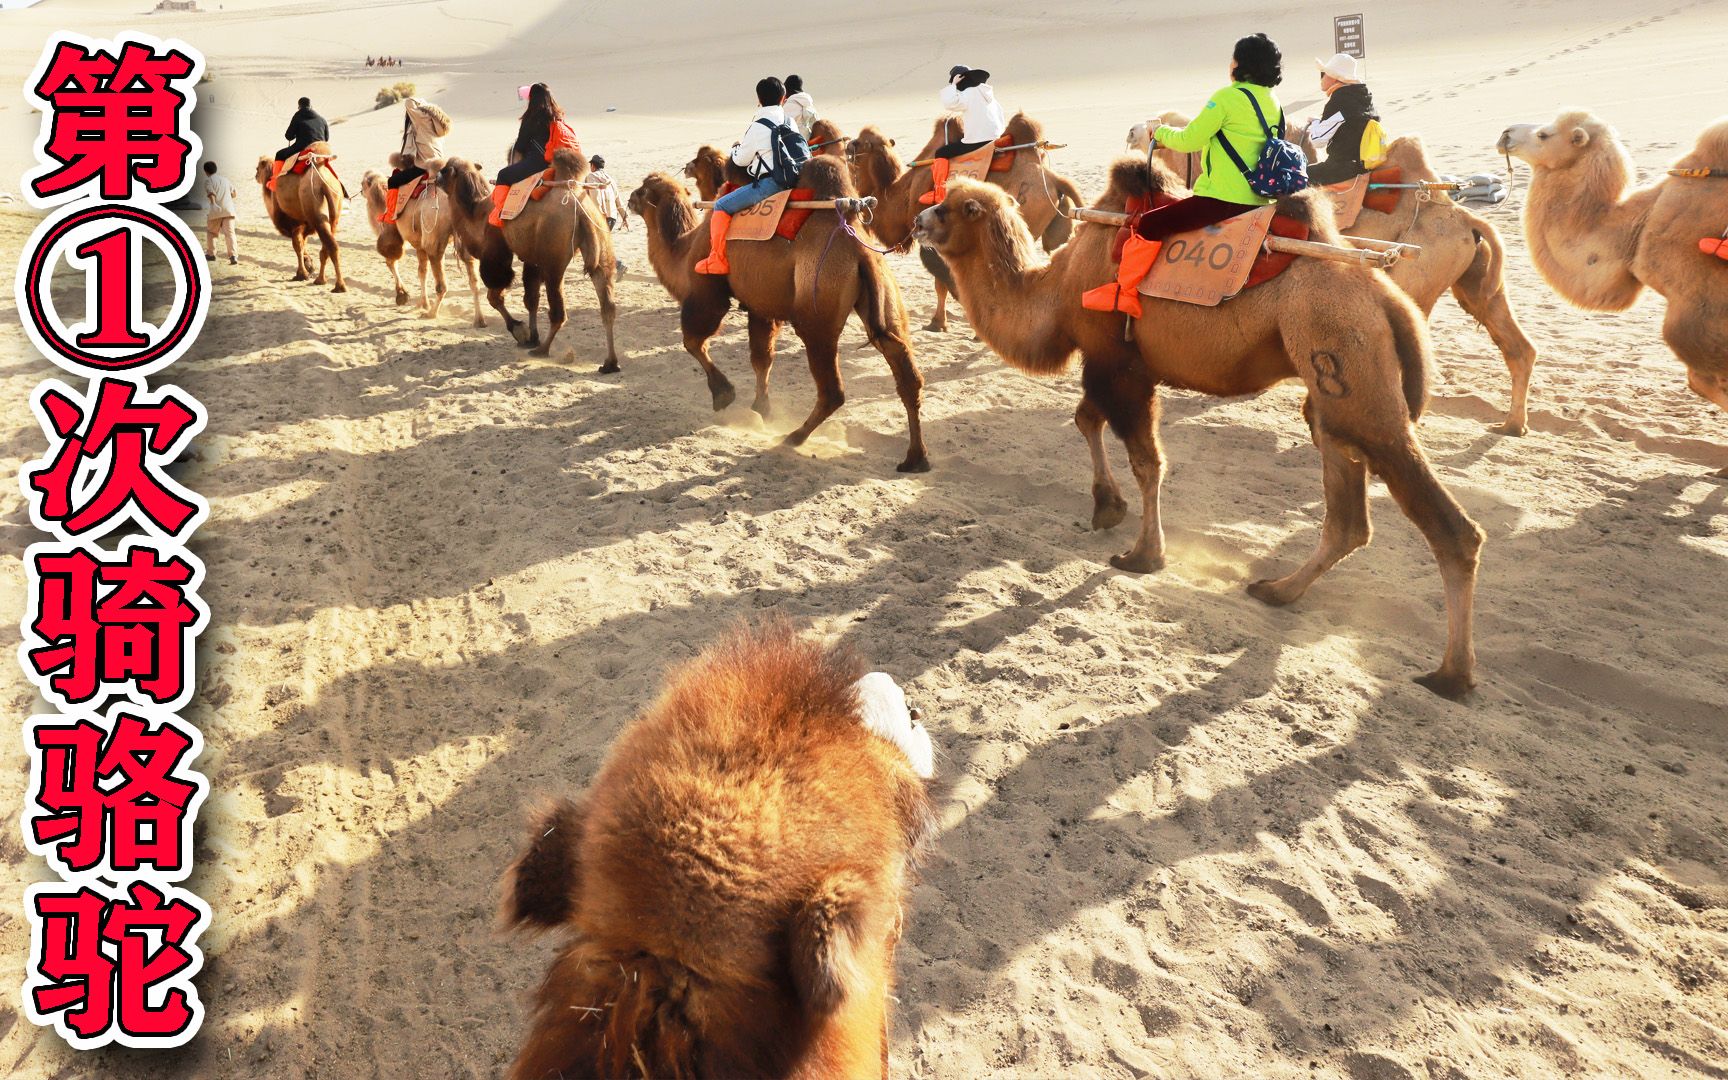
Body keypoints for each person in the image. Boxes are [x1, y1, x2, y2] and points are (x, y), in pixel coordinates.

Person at [1082, 33, 1287, 317]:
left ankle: (1124, 292)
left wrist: (1159, 132)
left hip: (1222, 199)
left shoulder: (1227, 97)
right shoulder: (1273, 102)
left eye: (1234, 58)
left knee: (1150, 224)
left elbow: (1190, 139)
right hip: (1260, 201)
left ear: (1241, 65)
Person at [696, 76, 800, 275]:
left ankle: (718, 259)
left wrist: (735, 149)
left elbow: (742, 160)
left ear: (759, 99)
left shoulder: (758, 126)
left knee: (721, 205)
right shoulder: (790, 122)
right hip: (795, 180)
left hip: (771, 185)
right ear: (783, 99)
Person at [489, 82, 580, 227]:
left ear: (532, 98)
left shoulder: (532, 117)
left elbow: (521, 145)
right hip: (557, 163)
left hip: (538, 163)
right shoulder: (557, 117)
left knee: (503, 175)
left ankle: (501, 214)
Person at [921, 64, 1007, 206]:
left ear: (960, 78)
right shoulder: (987, 94)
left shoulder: (969, 93)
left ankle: (939, 192)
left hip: (978, 141)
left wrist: (953, 84)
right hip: (996, 138)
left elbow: (950, 103)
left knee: (942, 152)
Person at [1305, 52, 1381, 186]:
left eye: (1324, 74)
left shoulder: (1340, 100)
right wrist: (1320, 122)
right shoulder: (1362, 97)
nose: (1321, 78)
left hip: (1343, 168)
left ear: (1334, 78)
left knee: (1295, 177)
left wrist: (1315, 125)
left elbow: (1318, 140)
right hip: (1364, 165)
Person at [379, 96, 450, 224]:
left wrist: (420, 104)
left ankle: (390, 215)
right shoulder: (435, 122)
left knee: (393, 181)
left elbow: (409, 103)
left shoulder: (422, 119)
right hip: (439, 163)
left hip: (425, 165)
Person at [269, 96, 329, 191]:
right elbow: (326, 139)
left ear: (299, 107)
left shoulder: (298, 115)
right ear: (311, 106)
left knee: (279, 154)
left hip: (303, 148)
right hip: (321, 151)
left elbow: (289, 136)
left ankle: (275, 184)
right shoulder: (322, 119)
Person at [588, 154, 629, 274]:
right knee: (601, 243)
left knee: (599, 244)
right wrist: (624, 216)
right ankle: (599, 270)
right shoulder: (611, 180)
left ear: (593, 166)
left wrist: (600, 213)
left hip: (600, 216)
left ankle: (618, 265)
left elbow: (595, 196)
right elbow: (618, 200)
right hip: (612, 216)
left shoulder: (591, 176)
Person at [201, 160, 239, 265]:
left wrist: (213, 203)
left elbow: (211, 192)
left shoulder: (209, 181)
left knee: (212, 233)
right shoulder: (225, 180)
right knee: (230, 234)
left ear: (206, 171)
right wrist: (226, 198)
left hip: (216, 211)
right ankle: (233, 256)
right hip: (229, 210)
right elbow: (234, 193)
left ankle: (211, 254)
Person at [782, 74, 818, 139]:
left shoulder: (790, 103)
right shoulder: (808, 102)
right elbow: (816, 123)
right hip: (807, 138)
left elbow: (783, 125)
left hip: (792, 139)